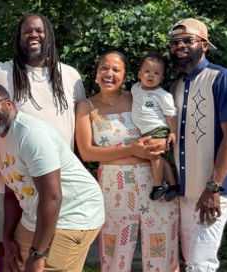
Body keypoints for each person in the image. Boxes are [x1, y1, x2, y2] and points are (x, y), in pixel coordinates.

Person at [0, 13, 85, 269]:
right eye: (26, 32)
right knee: (10, 250)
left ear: (49, 35)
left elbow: (79, 130)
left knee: (51, 251)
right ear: (18, 39)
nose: (33, 35)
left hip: (57, 181)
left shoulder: (70, 76)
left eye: (39, 30)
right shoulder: (0, 73)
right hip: (15, 184)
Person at [0, 82, 104, 272]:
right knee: (17, 265)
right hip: (36, 214)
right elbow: (12, 192)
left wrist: (37, 254)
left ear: (9, 104)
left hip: (74, 213)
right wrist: (8, 237)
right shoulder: (0, 144)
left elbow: (52, 196)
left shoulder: (31, 135)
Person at [75, 51, 179, 272]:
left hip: (154, 181)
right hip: (115, 187)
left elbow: (163, 129)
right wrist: (132, 149)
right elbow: (87, 153)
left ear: (125, 75)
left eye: (116, 69)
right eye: (104, 67)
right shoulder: (86, 107)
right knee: (115, 254)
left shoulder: (138, 99)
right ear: (96, 73)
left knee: (161, 249)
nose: (109, 74)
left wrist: (166, 141)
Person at [167, 18, 227, 271]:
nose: (180, 46)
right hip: (186, 194)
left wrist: (213, 187)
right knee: (191, 260)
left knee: (200, 263)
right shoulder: (175, 87)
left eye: (188, 40)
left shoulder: (222, 78)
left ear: (204, 45)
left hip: (213, 192)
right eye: (175, 42)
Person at [130, 53, 179, 201]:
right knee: (158, 158)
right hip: (146, 131)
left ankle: (158, 185)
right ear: (139, 74)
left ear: (162, 78)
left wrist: (173, 132)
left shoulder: (163, 95)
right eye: (147, 71)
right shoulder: (135, 89)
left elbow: (170, 115)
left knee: (153, 155)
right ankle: (173, 185)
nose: (151, 76)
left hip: (157, 129)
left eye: (156, 73)